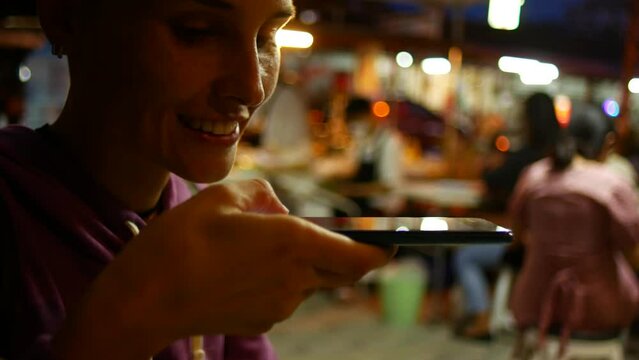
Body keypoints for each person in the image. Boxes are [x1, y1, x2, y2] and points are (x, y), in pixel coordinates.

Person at [0, 1, 395, 359]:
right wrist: (145, 312)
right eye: (198, 31)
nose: (251, 88)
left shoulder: (203, 217)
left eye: (266, 38)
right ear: (65, 17)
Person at [509, 104, 639, 357]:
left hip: (535, 301)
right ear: (609, 143)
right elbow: (634, 254)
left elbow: (516, 236)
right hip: (599, 310)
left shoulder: (534, 176)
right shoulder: (613, 185)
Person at [452, 92, 560, 340]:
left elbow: (491, 181)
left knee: (465, 257)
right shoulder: (564, 158)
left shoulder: (525, 160)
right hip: (559, 248)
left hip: (524, 246)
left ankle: (481, 317)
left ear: (527, 120)